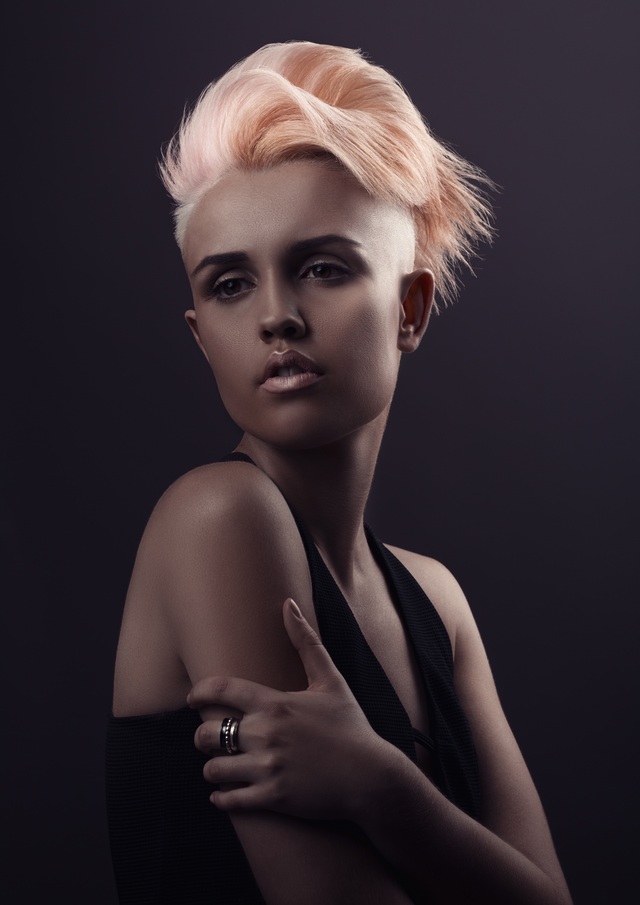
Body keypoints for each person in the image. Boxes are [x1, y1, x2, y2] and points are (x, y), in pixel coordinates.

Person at [106, 41, 573, 905]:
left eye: (322, 268)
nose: (277, 316)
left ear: (410, 308)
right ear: (200, 333)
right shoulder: (219, 516)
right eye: (230, 284)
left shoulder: (436, 602)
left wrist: (382, 788)